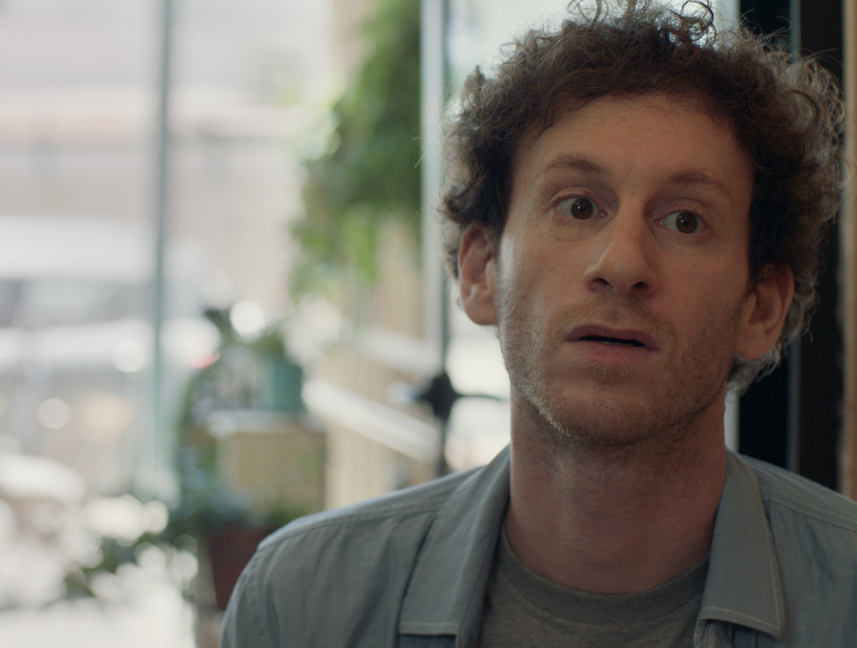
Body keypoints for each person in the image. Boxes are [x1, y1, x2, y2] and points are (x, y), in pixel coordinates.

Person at [220, 2, 856, 646]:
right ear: (480, 272)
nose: (623, 264)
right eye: (577, 207)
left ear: (761, 306)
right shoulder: (298, 607)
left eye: (686, 221)